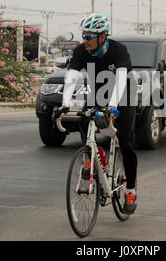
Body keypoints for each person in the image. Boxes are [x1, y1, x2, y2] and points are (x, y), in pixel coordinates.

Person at [53, 13, 137, 214]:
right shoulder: (82, 51)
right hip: (98, 92)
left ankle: (131, 191)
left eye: (89, 36)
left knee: (124, 142)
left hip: (123, 94)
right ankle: (93, 155)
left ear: (102, 36)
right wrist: (65, 104)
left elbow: (120, 80)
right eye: (83, 35)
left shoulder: (119, 51)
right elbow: (72, 76)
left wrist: (113, 107)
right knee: (85, 121)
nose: (85, 40)